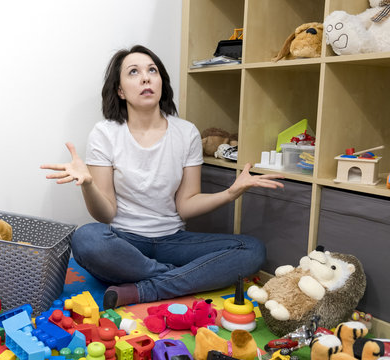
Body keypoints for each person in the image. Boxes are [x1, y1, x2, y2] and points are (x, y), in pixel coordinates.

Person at [41, 45, 284, 310]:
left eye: (152, 70)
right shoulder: (105, 133)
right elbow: (106, 215)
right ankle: (181, 276)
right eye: (133, 72)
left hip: (173, 241)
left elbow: (186, 205)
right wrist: (87, 185)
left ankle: (148, 288)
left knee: (252, 249)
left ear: (160, 82)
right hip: (124, 243)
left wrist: (230, 193)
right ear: (120, 90)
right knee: (86, 238)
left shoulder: (186, 132)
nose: (145, 78)